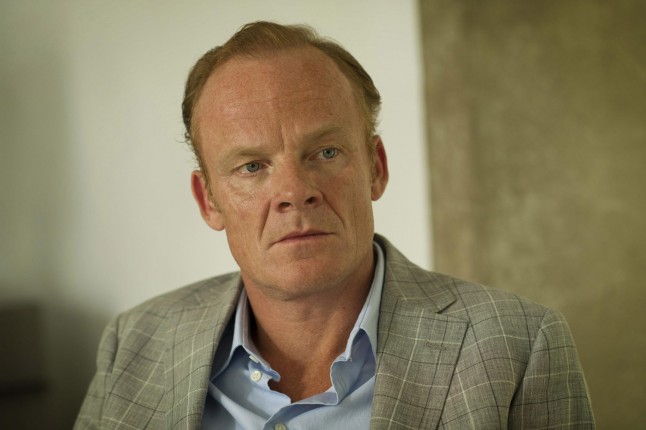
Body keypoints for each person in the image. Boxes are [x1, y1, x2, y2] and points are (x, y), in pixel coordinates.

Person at [75, 21, 595, 429]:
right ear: (207, 200)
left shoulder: (520, 347)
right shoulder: (134, 343)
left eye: (325, 152)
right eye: (252, 166)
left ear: (377, 168)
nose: (294, 191)